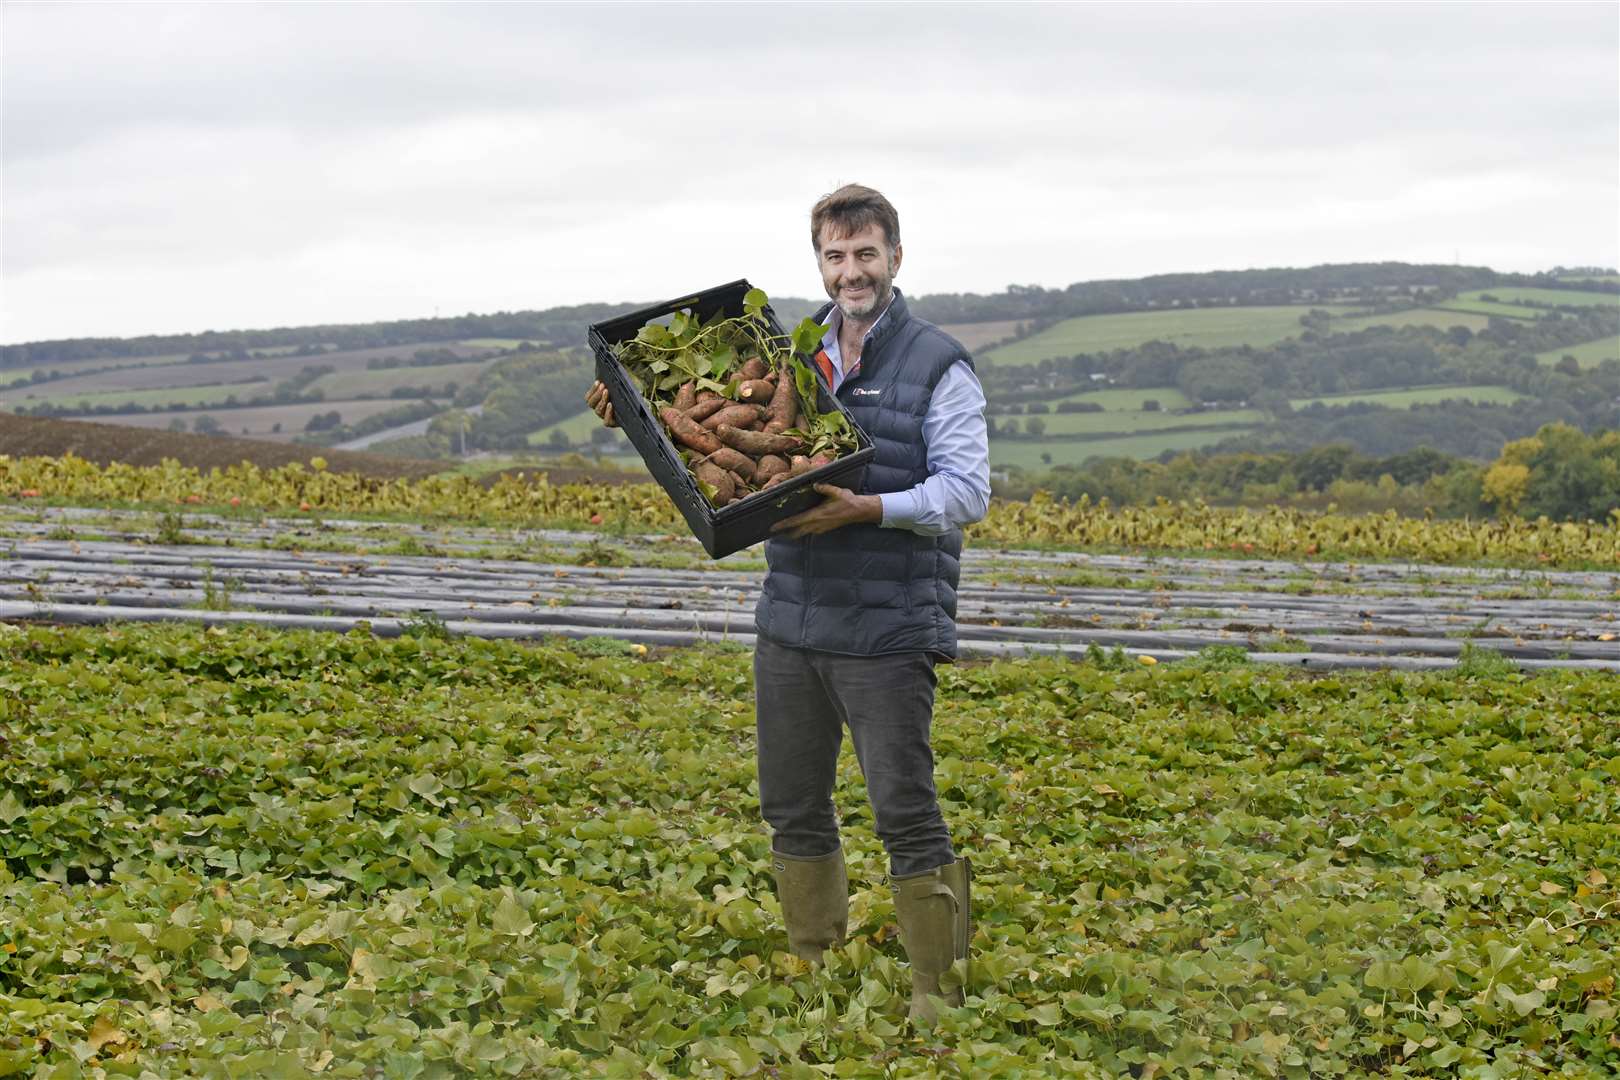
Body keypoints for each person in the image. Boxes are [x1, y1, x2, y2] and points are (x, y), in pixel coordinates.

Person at [586, 184, 990, 1023]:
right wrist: (634, 415)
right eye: (836, 257)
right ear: (821, 263)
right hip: (793, 618)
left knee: (902, 805)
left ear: (896, 259)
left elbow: (966, 492)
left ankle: (937, 990)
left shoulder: (938, 364)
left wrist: (870, 507)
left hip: (887, 625)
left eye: (867, 254)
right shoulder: (791, 357)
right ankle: (814, 959)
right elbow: (712, 444)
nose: (852, 272)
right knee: (792, 799)